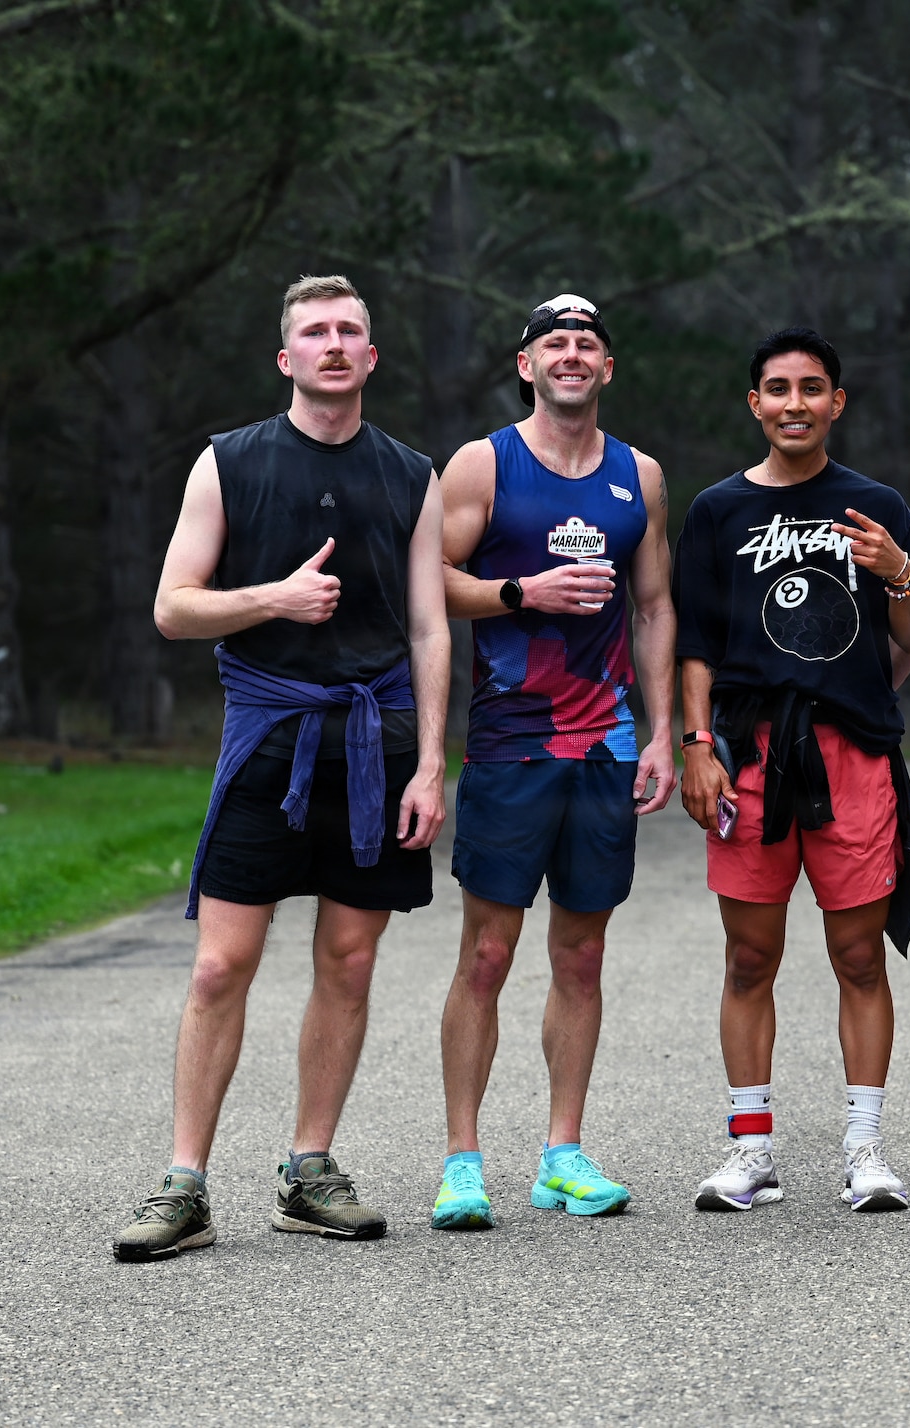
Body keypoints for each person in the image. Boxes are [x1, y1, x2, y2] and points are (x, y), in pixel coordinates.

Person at [112, 275, 449, 1261]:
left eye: (349, 331)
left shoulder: (411, 474)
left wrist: (432, 764)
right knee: (222, 964)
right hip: (268, 737)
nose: (333, 345)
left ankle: (310, 1171)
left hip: (378, 744)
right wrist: (273, 599)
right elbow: (174, 607)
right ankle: (184, 1186)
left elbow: (431, 628)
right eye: (314, 332)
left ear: (370, 356)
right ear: (286, 357)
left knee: (349, 960)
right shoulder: (229, 462)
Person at [675, 327, 910, 1214]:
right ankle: (750, 1149)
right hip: (748, 755)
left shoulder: (876, 504)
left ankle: (865, 1149)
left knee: (858, 954)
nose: (795, 403)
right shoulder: (717, 510)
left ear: (837, 402)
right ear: (755, 402)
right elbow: (696, 644)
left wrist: (898, 573)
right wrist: (696, 745)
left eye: (812, 387)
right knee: (749, 956)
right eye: (779, 388)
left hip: (850, 754)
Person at [432, 294, 676, 1229]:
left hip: (607, 743)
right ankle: (462, 1164)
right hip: (512, 742)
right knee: (488, 954)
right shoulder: (483, 463)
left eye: (586, 344)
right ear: (526, 364)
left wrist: (663, 732)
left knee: (582, 953)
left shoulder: (638, 475)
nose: (570, 355)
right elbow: (432, 582)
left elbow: (653, 606)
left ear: (606, 367)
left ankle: (562, 1156)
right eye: (553, 343)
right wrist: (520, 591)